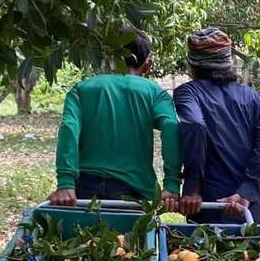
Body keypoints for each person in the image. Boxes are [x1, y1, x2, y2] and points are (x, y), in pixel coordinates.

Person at [48, 29, 181, 207]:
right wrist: (171, 184)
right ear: (148, 64)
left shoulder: (81, 89)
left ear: (108, 59)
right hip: (133, 192)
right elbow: (171, 126)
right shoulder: (155, 92)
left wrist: (65, 182)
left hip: (83, 188)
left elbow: (69, 128)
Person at [166, 27, 260, 223]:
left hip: (208, 207)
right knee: (253, 244)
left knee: (203, 245)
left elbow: (194, 124)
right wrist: (246, 192)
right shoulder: (254, 97)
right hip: (248, 210)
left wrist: (193, 188)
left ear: (192, 66)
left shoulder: (188, 92)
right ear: (229, 62)